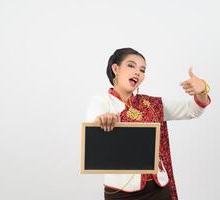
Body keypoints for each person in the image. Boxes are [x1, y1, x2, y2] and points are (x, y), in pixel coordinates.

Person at [86, 47, 211, 200]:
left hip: (159, 188)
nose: (138, 72)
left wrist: (203, 91)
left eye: (142, 69)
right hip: (121, 193)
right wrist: (102, 121)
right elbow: (93, 135)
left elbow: (192, 110)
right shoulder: (101, 102)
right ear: (115, 68)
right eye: (131, 65)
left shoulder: (152, 104)